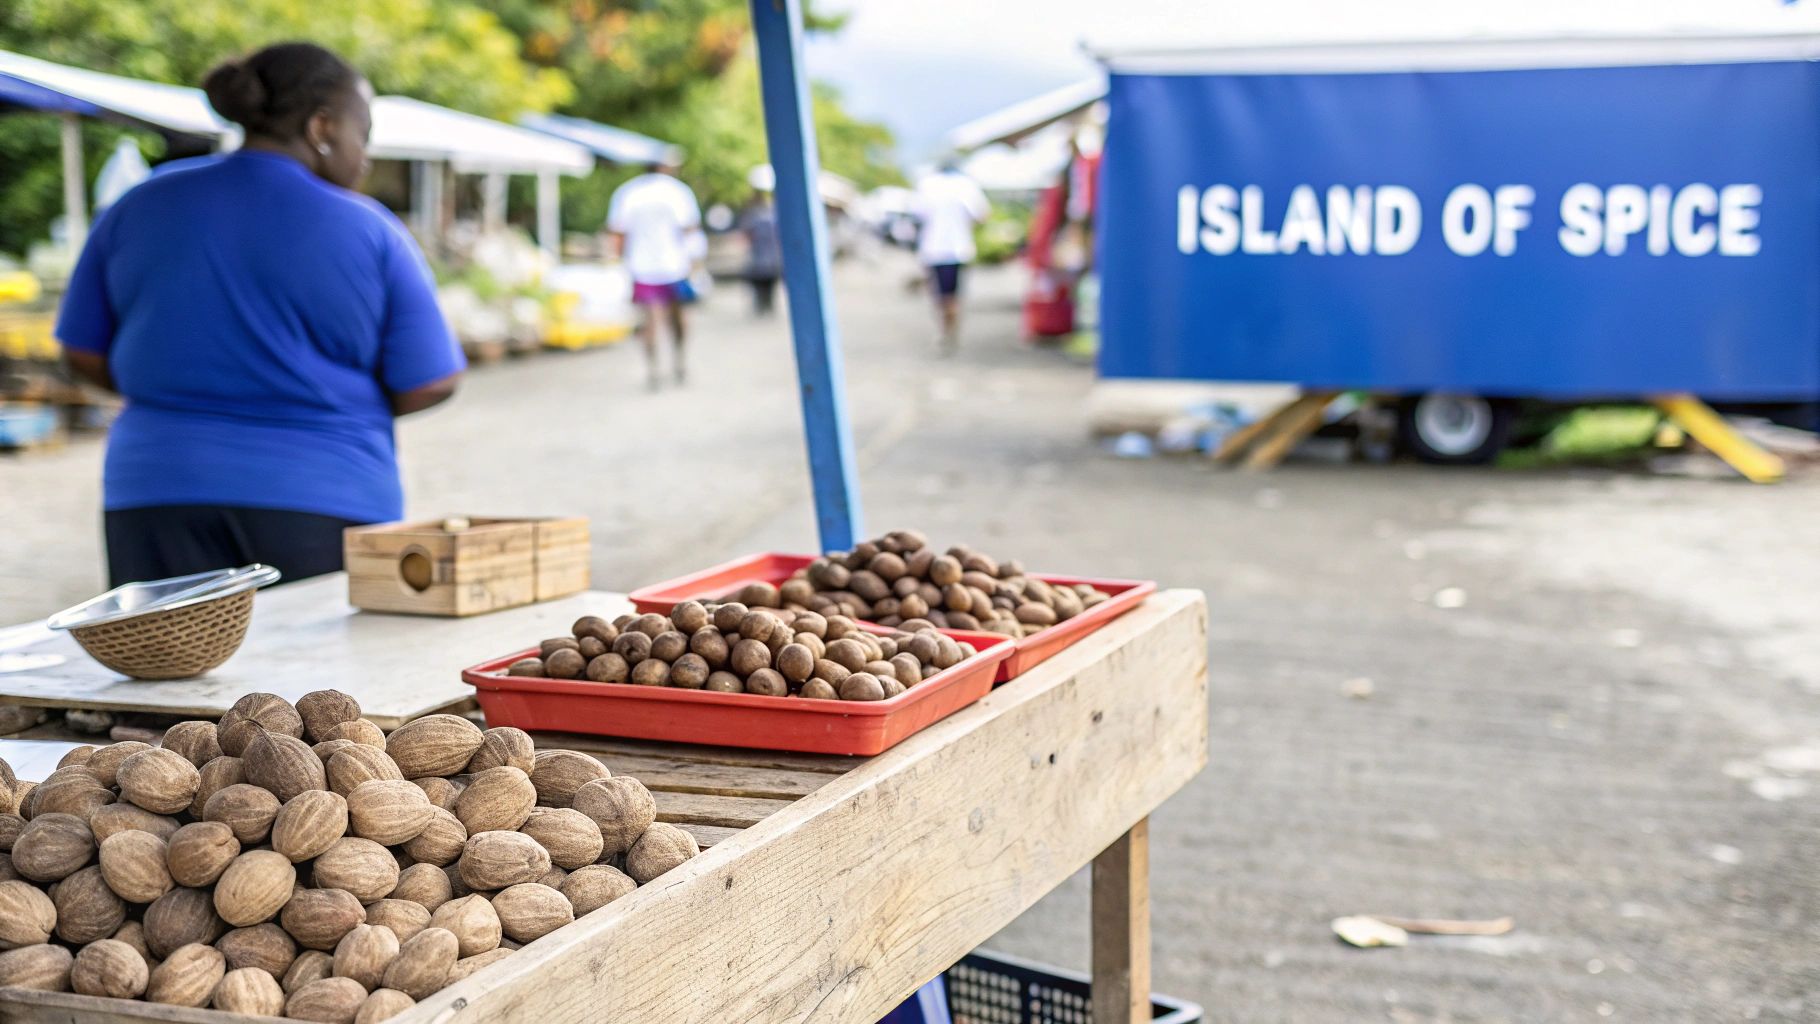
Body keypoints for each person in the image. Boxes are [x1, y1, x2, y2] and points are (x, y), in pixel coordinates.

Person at [56, 42, 464, 588]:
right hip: (324, 490)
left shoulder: (141, 204)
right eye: (361, 134)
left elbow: (81, 352)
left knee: (167, 667)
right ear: (322, 127)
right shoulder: (369, 229)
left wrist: (173, 389)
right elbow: (432, 379)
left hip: (156, 488)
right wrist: (331, 403)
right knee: (317, 673)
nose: (364, 156)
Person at [606, 161, 702, 388]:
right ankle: (679, 361)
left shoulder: (628, 192)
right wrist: (695, 261)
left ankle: (653, 368)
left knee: (649, 319)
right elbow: (690, 228)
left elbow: (618, 232)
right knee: (678, 317)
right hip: (674, 265)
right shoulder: (677, 191)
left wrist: (620, 261)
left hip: (642, 266)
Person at [911, 160, 990, 352]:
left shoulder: (927, 185)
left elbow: (916, 214)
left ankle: (945, 330)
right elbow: (982, 214)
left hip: (933, 249)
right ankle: (950, 329)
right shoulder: (966, 185)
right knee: (953, 294)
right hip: (958, 249)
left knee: (939, 294)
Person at [740, 183, 783, 316]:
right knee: (764, 282)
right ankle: (765, 306)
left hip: (764, 254)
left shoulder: (755, 213)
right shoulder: (769, 212)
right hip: (765, 254)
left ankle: (765, 306)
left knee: (764, 283)